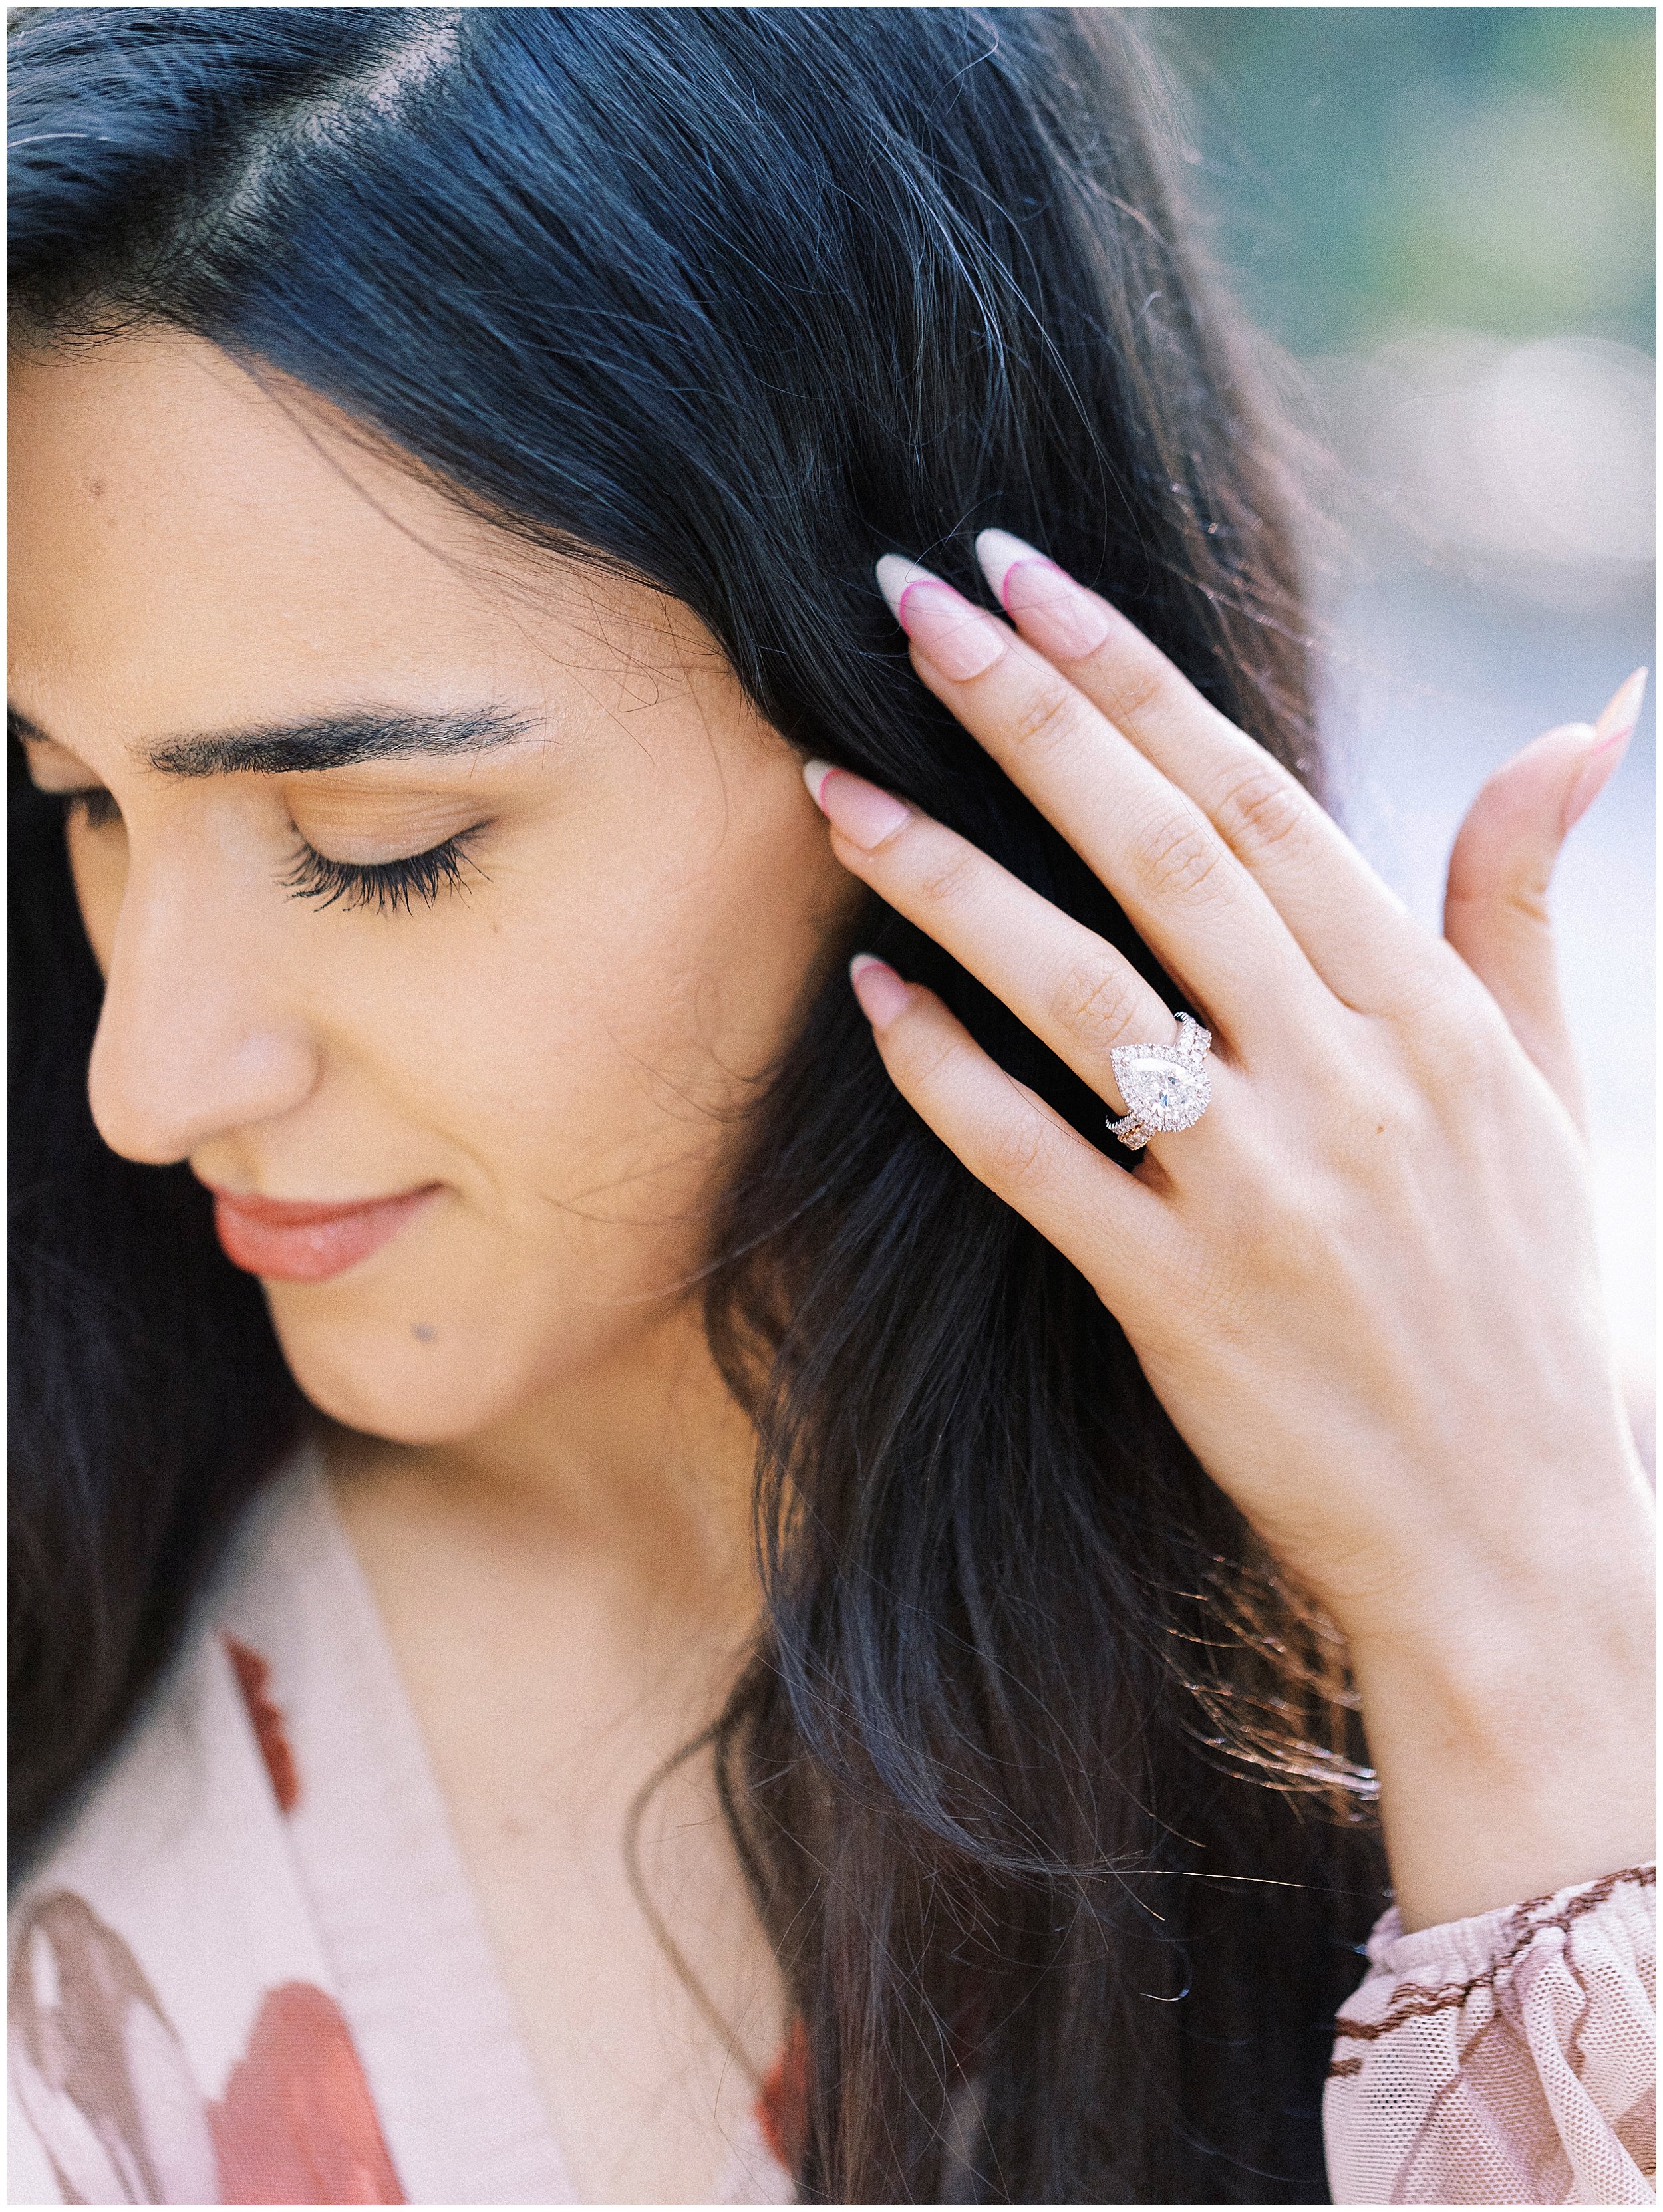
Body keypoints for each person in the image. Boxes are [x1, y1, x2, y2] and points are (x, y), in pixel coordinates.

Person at [8, 9, 1654, 2205]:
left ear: (951, 753)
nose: (145, 1078)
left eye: (380, 836)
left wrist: (1519, 1654)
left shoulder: (1512, 1585)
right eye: (76, 799)